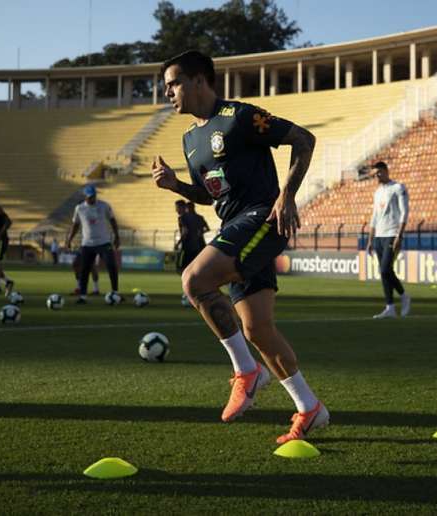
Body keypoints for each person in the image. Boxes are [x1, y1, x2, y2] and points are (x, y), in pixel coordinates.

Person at [152, 50, 327, 444]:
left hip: (264, 217)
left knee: (194, 280)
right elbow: (210, 194)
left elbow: (303, 139)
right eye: (165, 87)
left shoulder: (241, 116)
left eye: (173, 84)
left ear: (200, 80)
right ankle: (310, 408)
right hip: (235, 224)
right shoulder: (190, 139)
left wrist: (287, 194)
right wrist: (176, 186)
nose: (168, 93)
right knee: (257, 328)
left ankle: (246, 372)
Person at [365, 161, 411, 318]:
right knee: (385, 272)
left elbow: (405, 212)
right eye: (374, 174)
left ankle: (404, 296)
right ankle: (390, 307)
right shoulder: (377, 192)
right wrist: (370, 239)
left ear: (386, 171)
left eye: (378, 173)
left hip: (392, 233)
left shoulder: (398, 188)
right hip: (379, 235)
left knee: (385, 269)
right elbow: (375, 216)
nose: (376, 176)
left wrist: (400, 235)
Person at [65, 184, 121, 304]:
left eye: (94, 196)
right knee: (84, 269)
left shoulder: (104, 206)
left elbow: (112, 220)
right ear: (85, 197)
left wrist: (117, 236)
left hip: (104, 242)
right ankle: (83, 296)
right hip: (87, 244)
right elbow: (75, 225)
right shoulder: (79, 208)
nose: (92, 199)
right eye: (90, 197)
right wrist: (69, 239)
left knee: (111, 265)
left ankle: (115, 293)